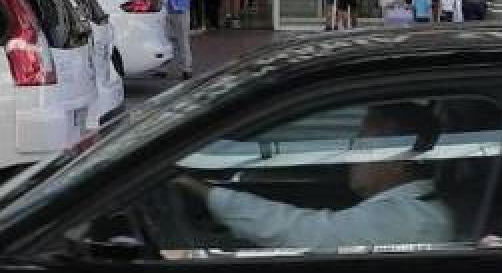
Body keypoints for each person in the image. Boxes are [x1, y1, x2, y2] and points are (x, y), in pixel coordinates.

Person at [174, 102, 453, 251]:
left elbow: (297, 231)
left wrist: (201, 190)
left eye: (364, 142)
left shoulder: (407, 221)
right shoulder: (411, 210)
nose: (352, 152)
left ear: (399, 161)